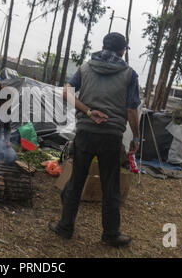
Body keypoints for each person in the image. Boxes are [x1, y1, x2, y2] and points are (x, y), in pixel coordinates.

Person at [48, 32, 141, 247]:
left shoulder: (85, 68)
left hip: (85, 133)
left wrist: (89, 112)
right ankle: (110, 234)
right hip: (111, 136)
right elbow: (131, 108)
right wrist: (136, 136)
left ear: (103, 46)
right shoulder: (130, 74)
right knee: (110, 185)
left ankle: (65, 227)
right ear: (122, 50)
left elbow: (66, 93)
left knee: (77, 180)